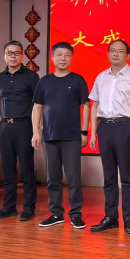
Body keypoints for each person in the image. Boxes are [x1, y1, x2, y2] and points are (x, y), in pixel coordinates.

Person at [88, 39, 130, 235]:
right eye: (112, 50)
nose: (115, 54)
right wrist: (93, 132)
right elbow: (95, 105)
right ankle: (110, 217)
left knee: (126, 176)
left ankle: (129, 218)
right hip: (104, 127)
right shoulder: (101, 77)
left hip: (125, 127)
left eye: (120, 51)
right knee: (109, 176)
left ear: (127, 55)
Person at [32, 41, 91, 228]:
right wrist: (35, 132)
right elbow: (37, 107)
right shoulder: (44, 81)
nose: (63, 58)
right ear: (52, 57)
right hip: (49, 136)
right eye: (59, 55)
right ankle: (56, 213)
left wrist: (84, 131)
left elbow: (86, 106)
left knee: (74, 177)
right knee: (53, 178)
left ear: (71, 58)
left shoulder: (78, 80)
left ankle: (75, 214)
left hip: (72, 136)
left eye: (66, 55)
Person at [0, 41, 40, 221]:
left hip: (24, 126)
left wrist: (36, 130)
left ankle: (29, 207)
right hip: (4, 127)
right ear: (4, 55)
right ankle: (9, 207)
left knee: (26, 169)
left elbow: (37, 105)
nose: (12, 56)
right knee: (8, 170)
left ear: (22, 55)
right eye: (9, 53)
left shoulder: (31, 77)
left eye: (16, 53)